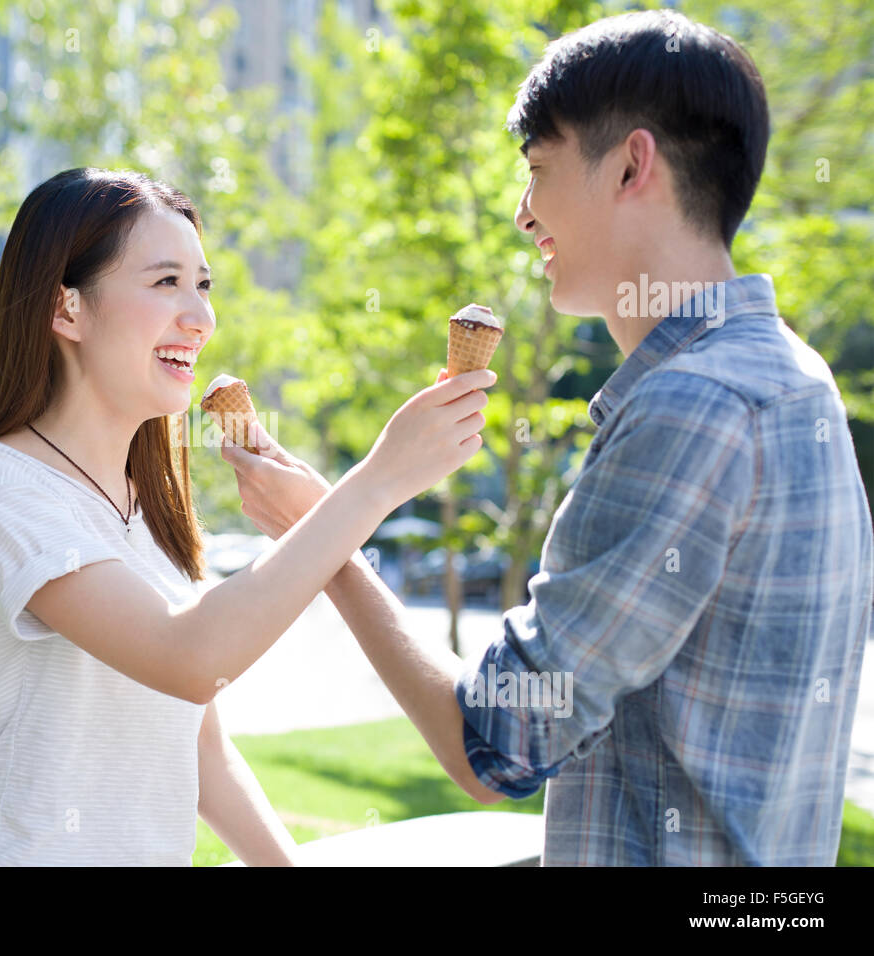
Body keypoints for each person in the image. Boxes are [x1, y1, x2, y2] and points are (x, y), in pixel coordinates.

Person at [221, 10, 873, 866]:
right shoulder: (797, 378)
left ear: (633, 164)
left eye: (538, 168)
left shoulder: (692, 406)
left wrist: (331, 544)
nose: (525, 213)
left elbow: (493, 742)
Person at [0, 166, 496, 866]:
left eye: (204, 285)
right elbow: (190, 657)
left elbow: (205, 756)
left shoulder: (149, 515)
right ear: (66, 309)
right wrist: (374, 482)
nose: (201, 318)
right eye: (166, 282)